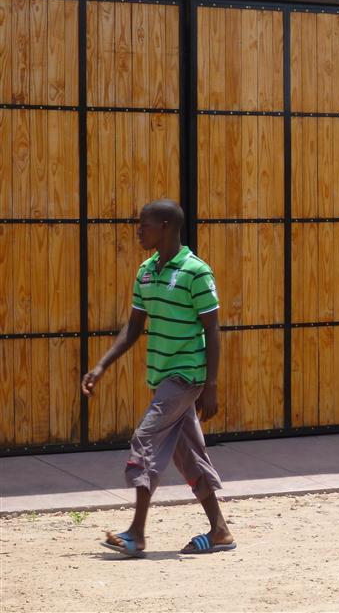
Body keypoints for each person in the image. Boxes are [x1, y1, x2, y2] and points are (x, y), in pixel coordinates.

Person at [81, 199, 235, 558]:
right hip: (161, 377)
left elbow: (212, 331)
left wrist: (211, 385)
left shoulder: (196, 272)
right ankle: (220, 531)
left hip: (186, 376)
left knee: (145, 438)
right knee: (187, 455)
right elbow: (133, 327)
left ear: (165, 226)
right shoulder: (146, 271)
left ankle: (136, 534)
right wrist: (101, 366)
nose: (138, 231)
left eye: (144, 224)